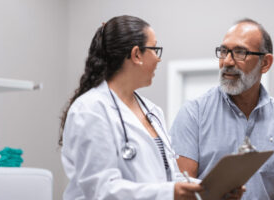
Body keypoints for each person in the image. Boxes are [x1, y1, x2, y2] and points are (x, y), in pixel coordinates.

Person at [59, 15, 206, 200]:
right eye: (155, 49)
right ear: (137, 54)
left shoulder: (152, 111)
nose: (158, 59)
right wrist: (170, 193)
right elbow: (101, 191)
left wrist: (208, 189)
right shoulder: (90, 110)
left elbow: (169, 177)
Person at [170, 18, 274, 200]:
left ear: (265, 63)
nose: (227, 61)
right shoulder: (193, 114)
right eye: (223, 51)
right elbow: (182, 191)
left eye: (239, 52)